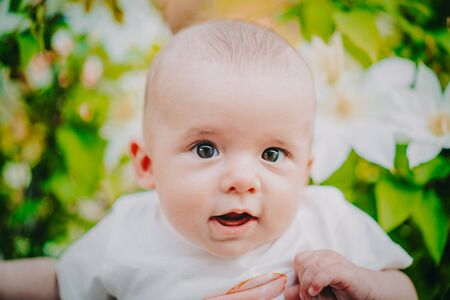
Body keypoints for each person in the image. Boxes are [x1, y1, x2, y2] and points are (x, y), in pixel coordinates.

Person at [2, 20, 417, 300]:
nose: (241, 179)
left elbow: (404, 289)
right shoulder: (130, 235)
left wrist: (365, 284)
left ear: (307, 169)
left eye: (273, 154)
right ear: (147, 165)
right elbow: (59, 282)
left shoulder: (328, 222)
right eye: (205, 149)